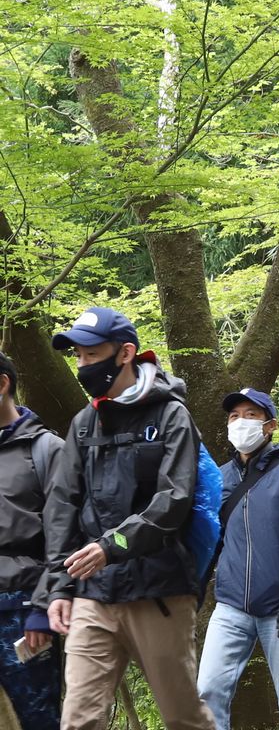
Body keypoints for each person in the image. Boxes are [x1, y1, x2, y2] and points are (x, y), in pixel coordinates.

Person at [34, 307, 216, 728]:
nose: (82, 365)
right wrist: (58, 587)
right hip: (92, 596)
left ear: (125, 353)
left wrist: (112, 545)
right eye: (77, 356)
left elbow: (176, 498)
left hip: (159, 593)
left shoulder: (172, 415)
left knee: (182, 718)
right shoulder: (83, 424)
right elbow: (62, 507)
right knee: (78, 720)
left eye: (91, 354)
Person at [197, 388, 279, 730]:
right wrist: (192, 590)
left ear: (270, 426)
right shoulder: (220, 477)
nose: (241, 422)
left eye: (250, 415)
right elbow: (211, 540)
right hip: (231, 604)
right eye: (234, 416)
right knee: (207, 690)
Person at [0, 351, 64, 729]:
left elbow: (65, 536)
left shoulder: (46, 450)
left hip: (23, 610)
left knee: (36, 719)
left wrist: (43, 608)